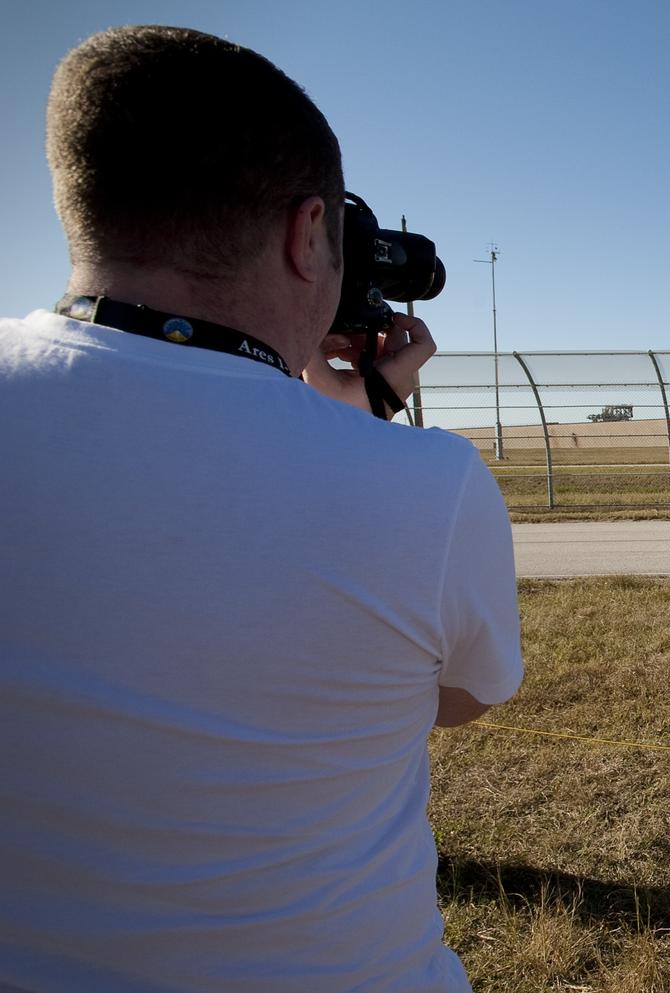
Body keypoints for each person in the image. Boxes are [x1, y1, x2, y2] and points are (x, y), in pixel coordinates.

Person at [0, 26, 522, 993]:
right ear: (304, 231)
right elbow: (456, 699)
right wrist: (365, 412)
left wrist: (337, 401)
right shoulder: (428, 487)